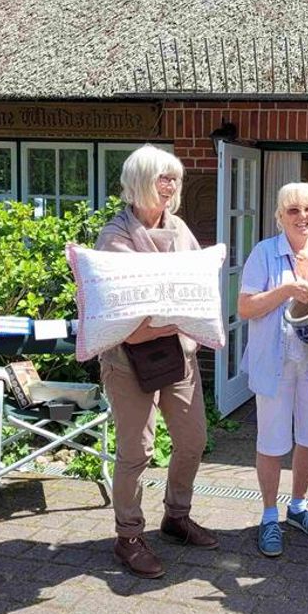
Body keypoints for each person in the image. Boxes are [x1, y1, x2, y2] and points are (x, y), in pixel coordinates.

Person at [96, 145, 218, 579]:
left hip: (176, 354)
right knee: (136, 451)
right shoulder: (115, 237)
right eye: (162, 177)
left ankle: (176, 517)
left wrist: (172, 310)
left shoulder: (179, 229)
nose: (170, 186)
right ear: (139, 181)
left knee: (193, 440)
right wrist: (173, 309)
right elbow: (128, 319)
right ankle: (128, 536)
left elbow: (194, 289)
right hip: (127, 361)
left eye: (174, 178)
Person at [238, 182, 308, 557]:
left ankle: (298, 507)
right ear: (280, 216)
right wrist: (286, 291)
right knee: (272, 441)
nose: (303, 217)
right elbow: (245, 307)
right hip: (276, 361)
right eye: (294, 210)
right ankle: (270, 515)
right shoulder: (264, 253)